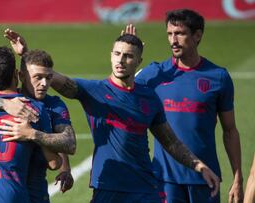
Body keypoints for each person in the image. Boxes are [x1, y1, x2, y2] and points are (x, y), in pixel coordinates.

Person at [49, 31, 220, 202]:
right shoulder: (94, 90)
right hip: (108, 186)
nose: (121, 60)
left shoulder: (149, 98)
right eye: (117, 54)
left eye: (128, 56)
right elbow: (53, 78)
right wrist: (27, 56)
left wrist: (199, 166)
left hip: (145, 188)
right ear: (111, 55)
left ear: (139, 62)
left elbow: (171, 142)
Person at [134, 9, 243, 203]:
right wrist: (129, 55)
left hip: (205, 178)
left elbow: (230, 131)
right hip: (165, 180)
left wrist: (237, 178)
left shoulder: (218, 77)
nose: (173, 40)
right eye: (169, 34)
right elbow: (118, 89)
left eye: (180, 33)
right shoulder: (154, 74)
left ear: (197, 35)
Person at [0, 30, 76, 202]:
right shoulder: (23, 107)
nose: (44, 84)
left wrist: (34, 135)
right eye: (37, 77)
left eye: (49, 78)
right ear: (19, 76)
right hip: (14, 193)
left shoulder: (53, 105)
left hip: (33, 192)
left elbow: (68, 143)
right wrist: (5, 104)